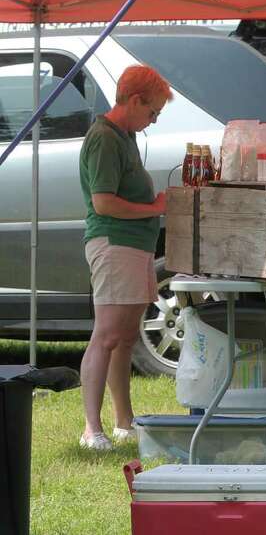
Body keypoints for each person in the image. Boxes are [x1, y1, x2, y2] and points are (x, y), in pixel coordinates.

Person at [77, 65, 173, 450]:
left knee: (126, 336)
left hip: (132, 246)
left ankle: (123, 421)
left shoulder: (125, 135)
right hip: (114, 244)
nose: (152, 121)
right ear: (135, 101)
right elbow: (104, 203)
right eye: (152, 113)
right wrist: (154, 209)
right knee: (107, 335)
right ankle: (91, 428)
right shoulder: (105, 138)